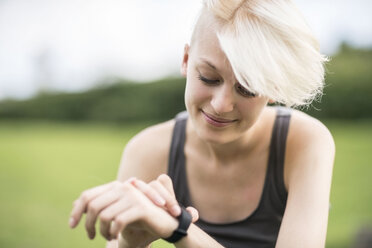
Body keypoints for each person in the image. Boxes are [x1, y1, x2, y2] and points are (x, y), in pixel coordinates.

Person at [69, 0, 335, 247]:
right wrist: (129, 242)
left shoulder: (304, 142)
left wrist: (178, 227)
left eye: (247, 88)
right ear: (186, 60)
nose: (221, 104)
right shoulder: (147, 150)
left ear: (274, 87)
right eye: (208, 77)